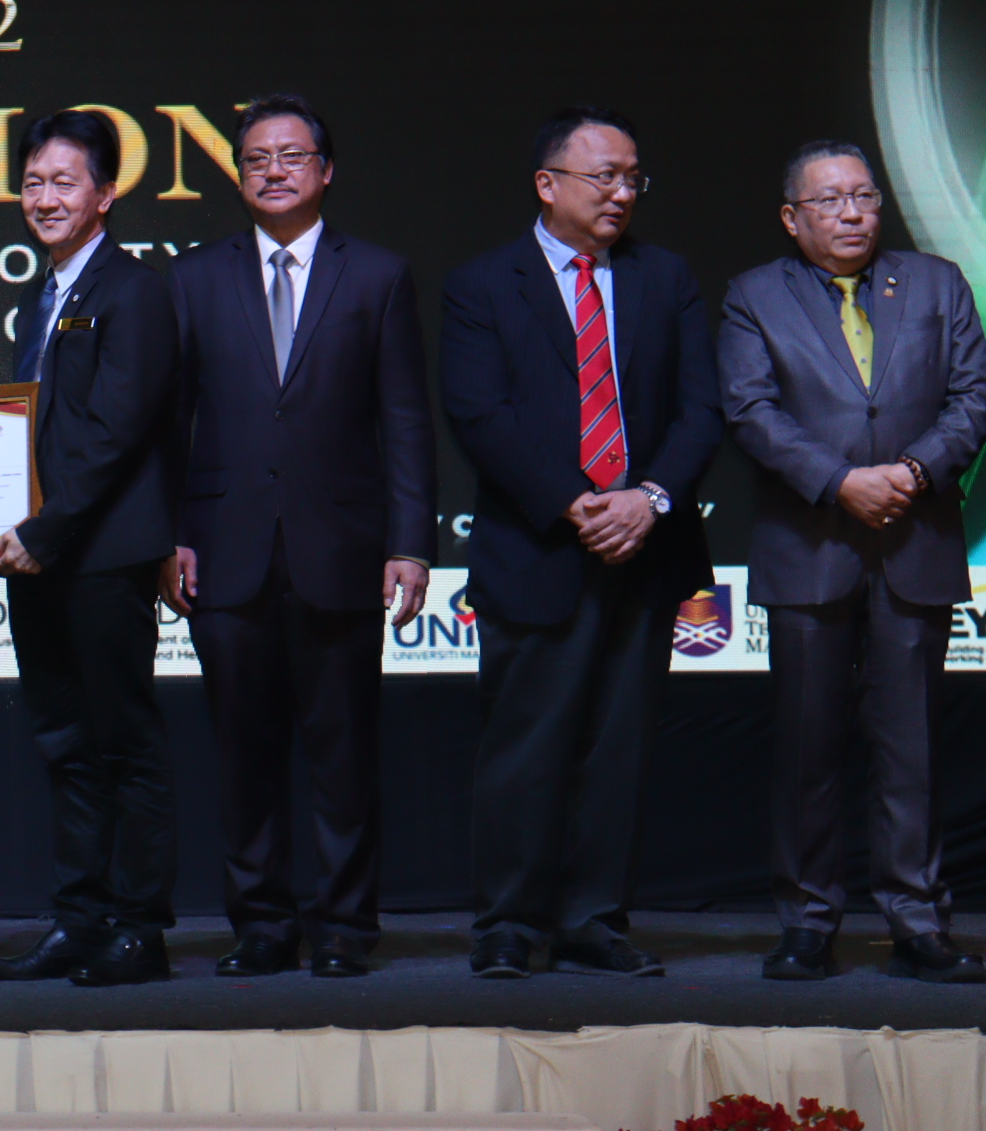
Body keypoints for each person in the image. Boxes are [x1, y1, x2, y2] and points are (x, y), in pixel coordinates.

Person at [440, 107, 722, 980]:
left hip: (644, 548)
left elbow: (699, 408)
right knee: (525, 746)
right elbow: (479, 415)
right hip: (539, 548)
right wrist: (577, 503)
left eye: (634, 177)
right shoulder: (484, 283)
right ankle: (510, 923)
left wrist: (649, 499)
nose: (622, 192)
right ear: (548, 183)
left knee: (616, 745)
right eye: (605, 175)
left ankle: (595, 919)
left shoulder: (663, 277)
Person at [167, 95, 435, 980]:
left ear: (326, 170)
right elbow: (171, 422)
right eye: (254, 159)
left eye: (290, 155)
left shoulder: (378, 275)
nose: (272, 170)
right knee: (245, 756)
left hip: (343, 549)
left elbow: (405, 419)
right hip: (223, 546)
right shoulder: (195, 278)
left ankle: (348, 927)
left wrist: (411, 541)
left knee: (343, 753)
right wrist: (169, 533)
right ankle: (262, 925)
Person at [718, 141, 986, 983]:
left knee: (911, 746)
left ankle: (918, 920)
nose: (852, 213)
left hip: (917, 537)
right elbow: (750, 410)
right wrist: (839, 483)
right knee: (808, 746)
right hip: (810, 547)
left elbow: (974, 396)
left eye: (864, 196)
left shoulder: (938, 283)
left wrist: (910, 472)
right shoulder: (754, 296)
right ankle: (808, 921)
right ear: (792, 218)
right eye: (829, 201)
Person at [0, 109, 179, 987]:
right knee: (65, 743)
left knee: (124, 743)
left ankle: (141, 928)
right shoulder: (46, 292)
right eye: (32, 183)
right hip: (41, 558)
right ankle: (79, 920)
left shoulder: (133, 291)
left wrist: (41, 530)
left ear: (105, 194)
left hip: (99, 556)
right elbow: (36, 432)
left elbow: (118, 434)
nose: (45, 197)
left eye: (64, 182)